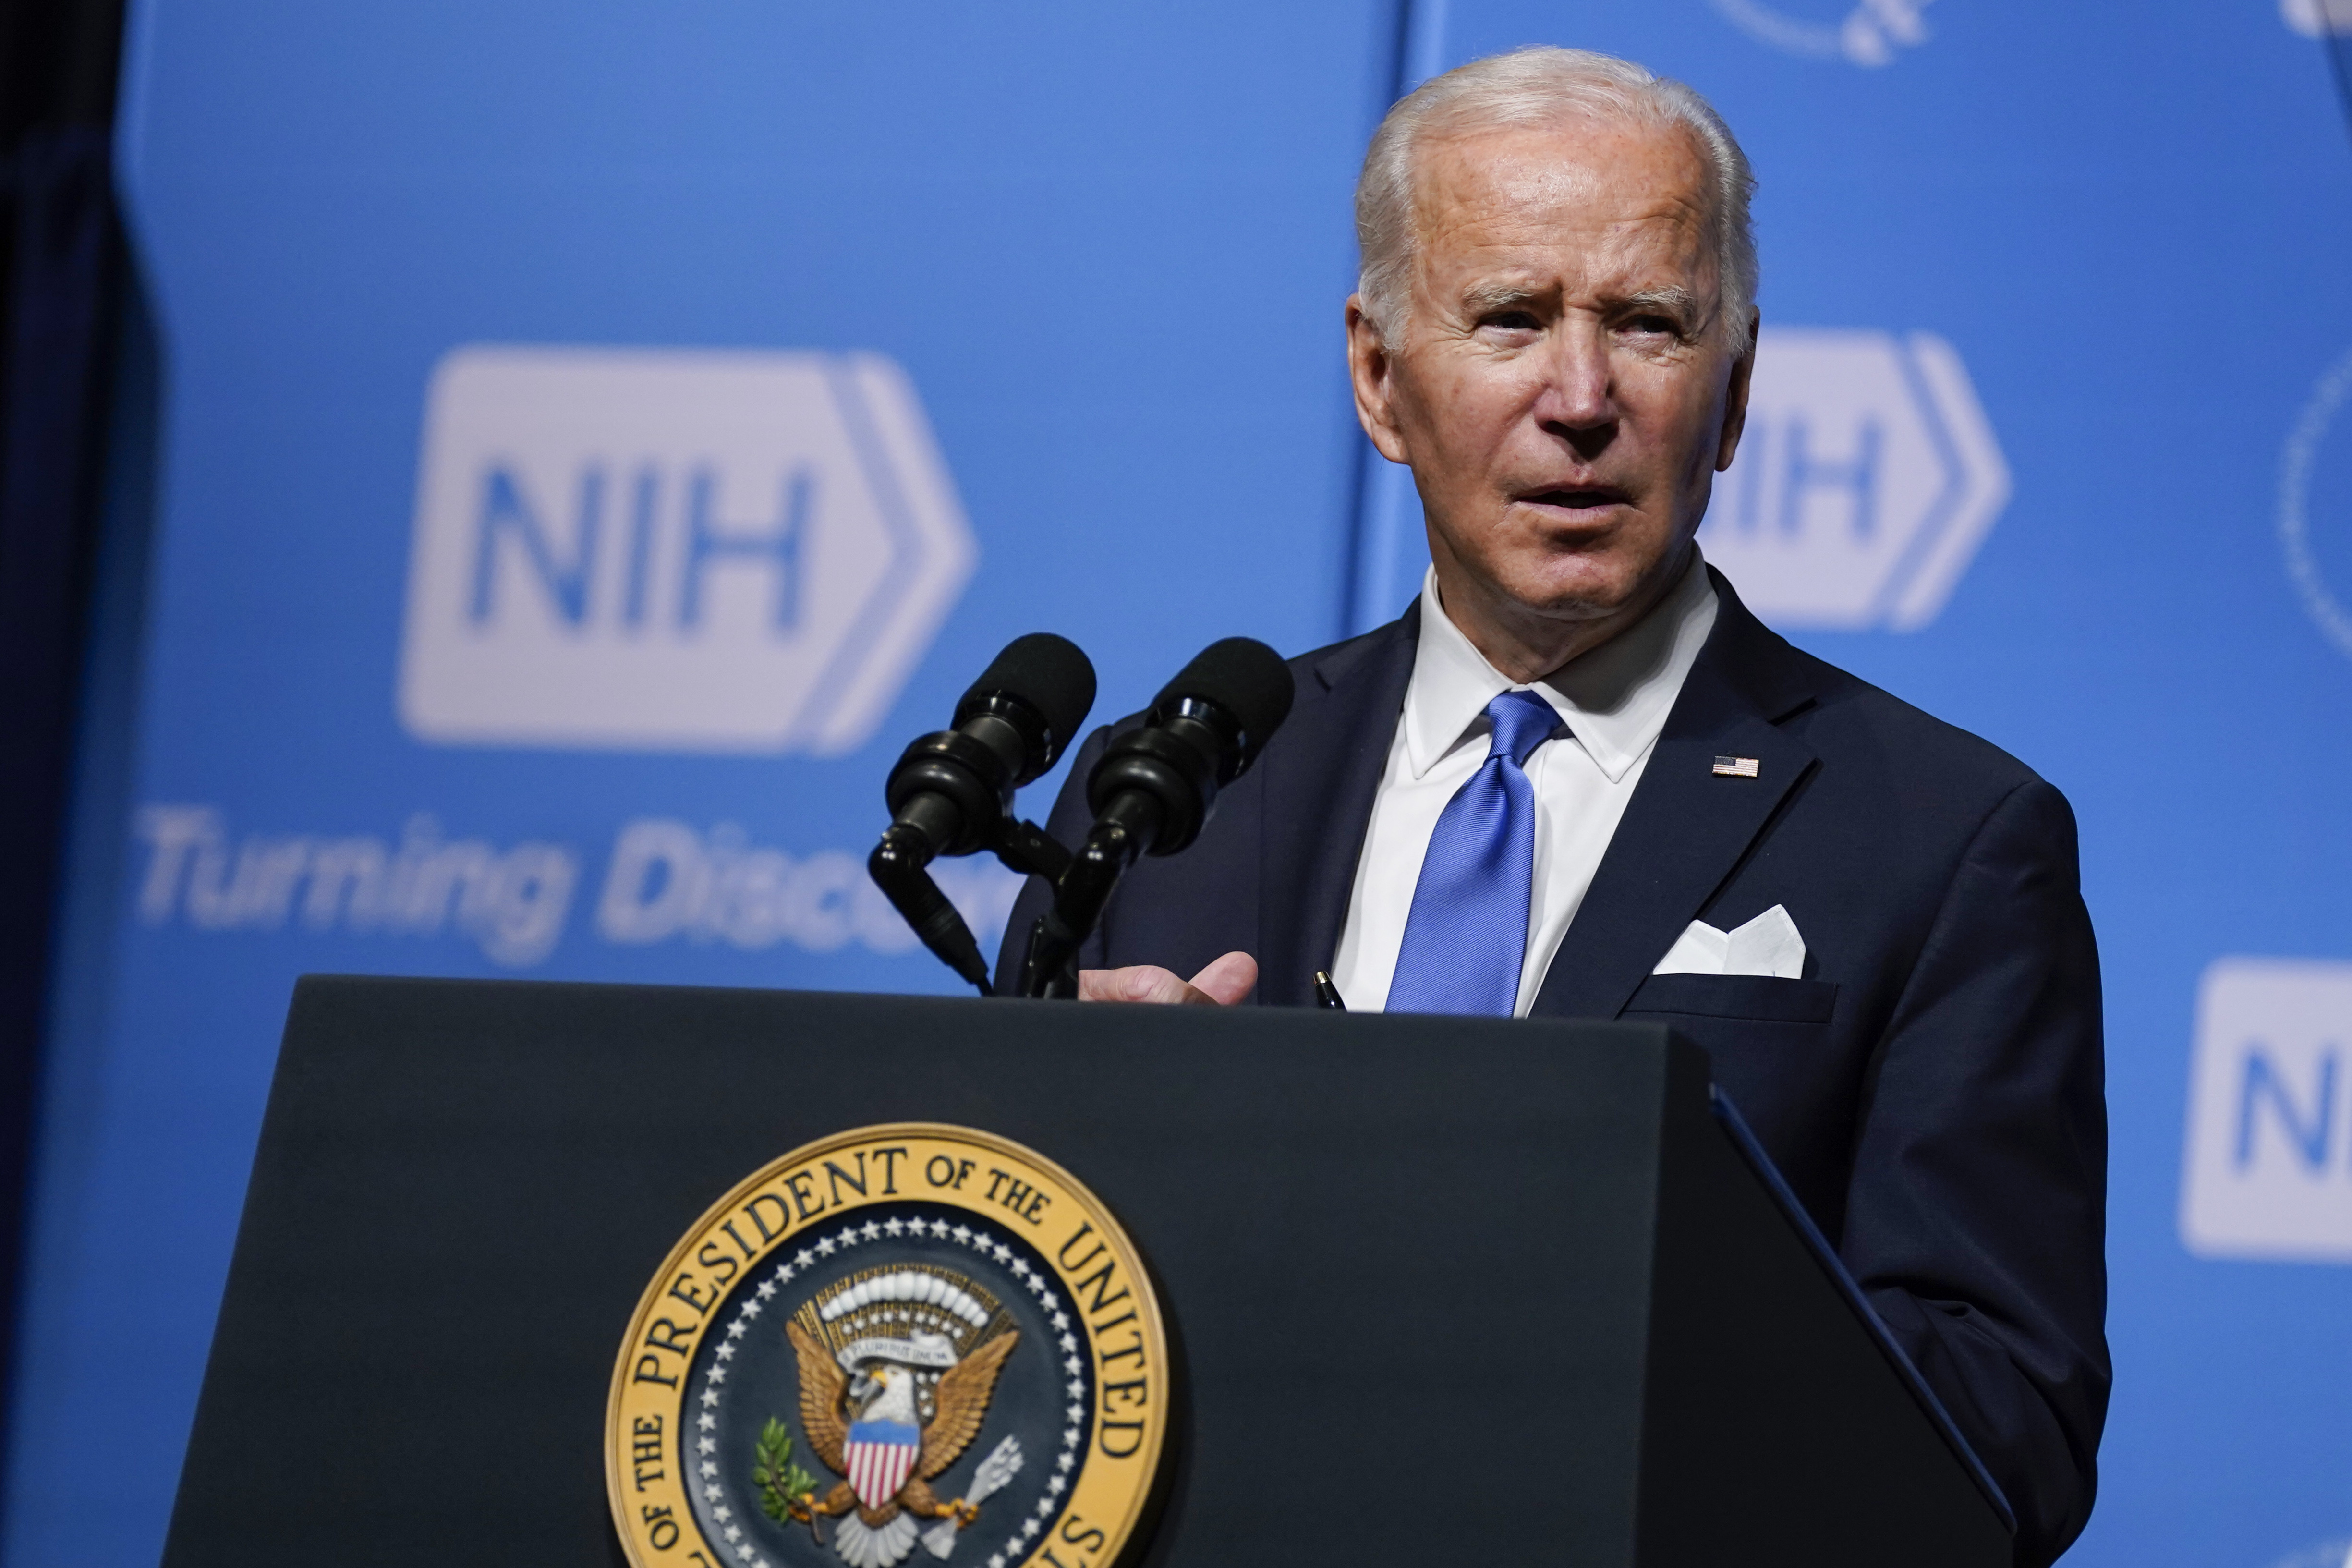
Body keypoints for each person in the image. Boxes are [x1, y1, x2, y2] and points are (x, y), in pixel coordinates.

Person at [995, 46, 2106, 1565]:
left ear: (1731, 394)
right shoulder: (1170, 797)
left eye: (1646, 324)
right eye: (1509, 318)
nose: (1577, 400)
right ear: (1381, 379)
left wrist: (1591, 1298)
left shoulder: (1945, 838)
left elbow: (2003, 1432)